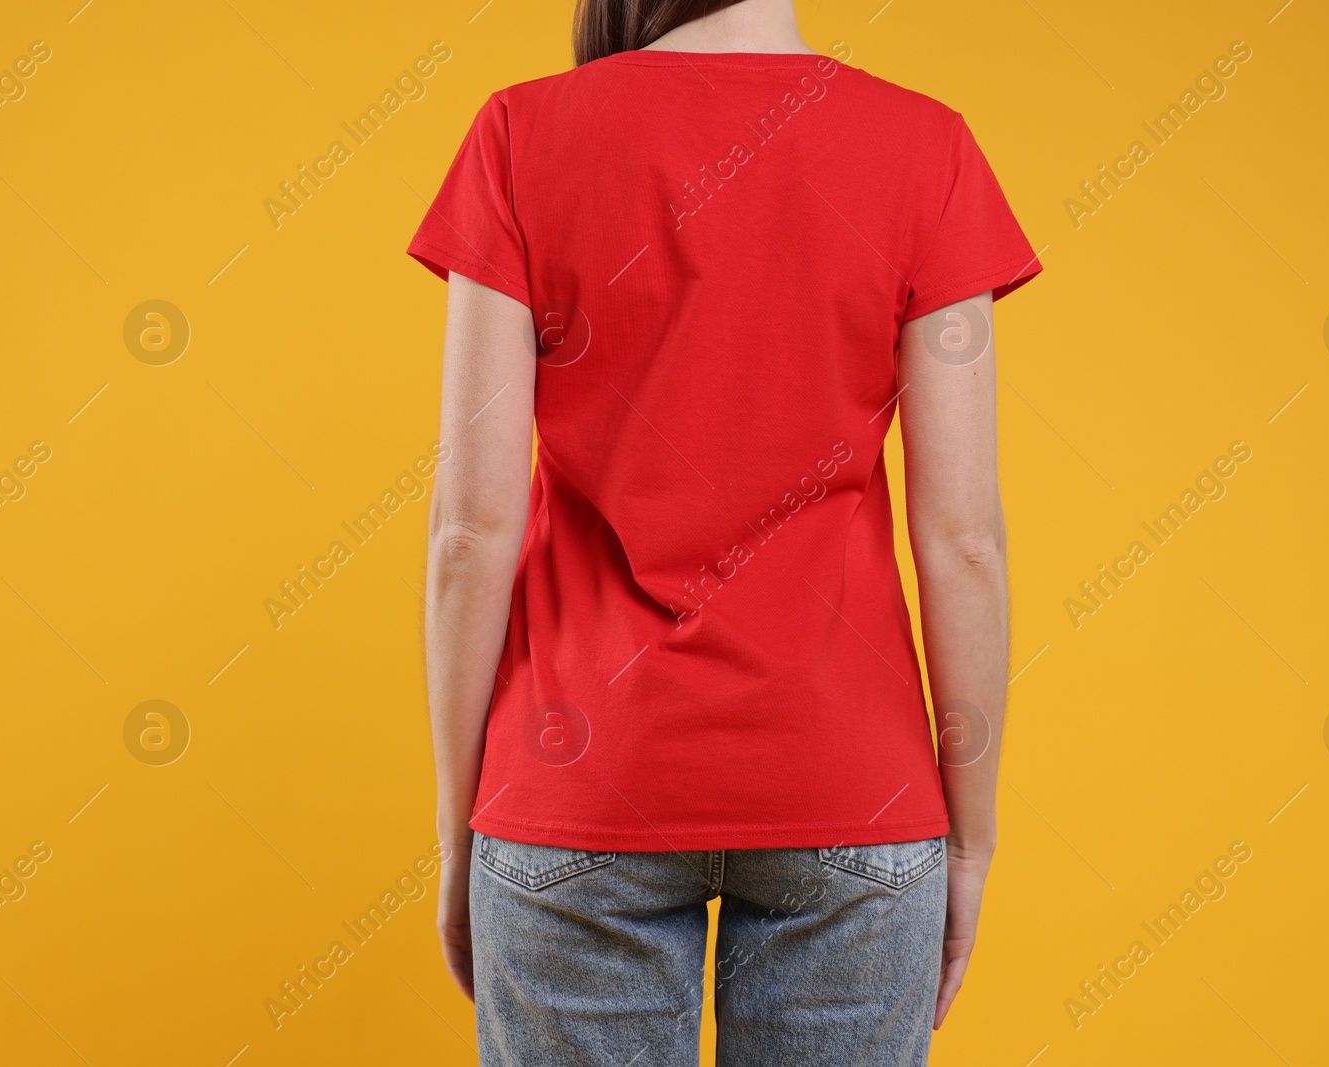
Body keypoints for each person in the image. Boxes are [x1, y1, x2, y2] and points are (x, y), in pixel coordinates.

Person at [407, 0, 1042, 1062]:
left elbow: (469, 526)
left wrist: (459, 822)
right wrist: (970, 840)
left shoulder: (521, 134)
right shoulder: (924, 146)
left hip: (577, 775)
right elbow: (963, 534)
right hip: (850, 783)